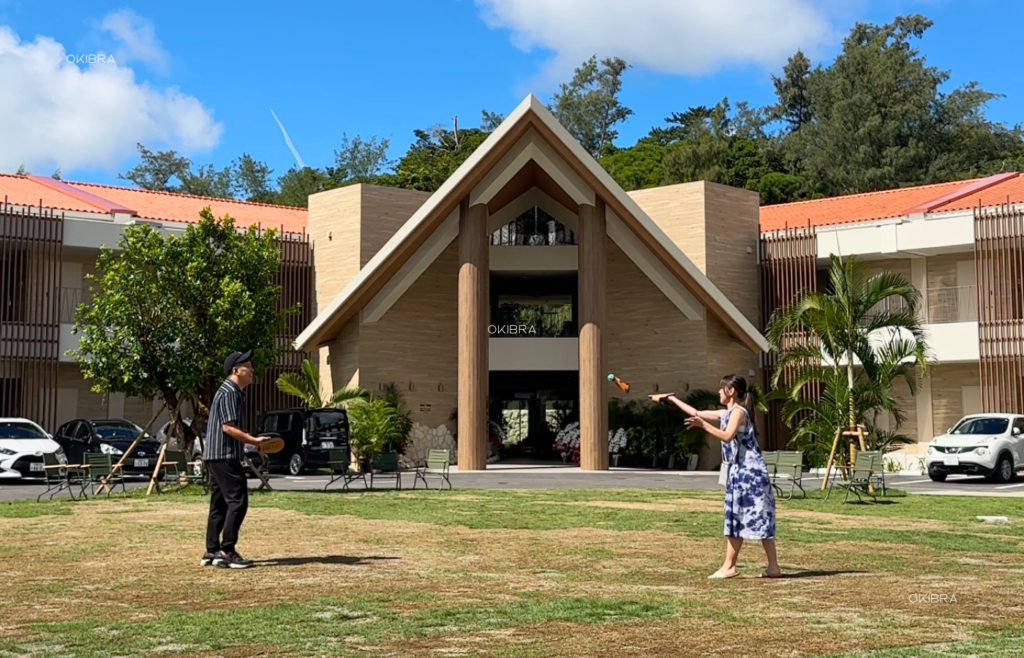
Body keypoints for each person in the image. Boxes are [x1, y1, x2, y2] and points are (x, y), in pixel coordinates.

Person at [650, 374, 781, 579]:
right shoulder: (726, 413)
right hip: (740, 472)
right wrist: (672, 399)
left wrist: (703, 426)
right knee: (741, 517)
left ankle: (732, 566)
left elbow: (727, 436)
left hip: (750, 474)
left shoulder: (738, 412)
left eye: (722, 389)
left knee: (749, 517)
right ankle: (765, 567)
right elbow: (696, 412)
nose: (719, 392)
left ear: (731, 391)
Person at [201, 350, 268, 569]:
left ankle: (211, 551)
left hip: (215, 455)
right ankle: (227, 551)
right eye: (247, 365)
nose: (252, 369)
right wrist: (255, 441)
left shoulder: (229, 391)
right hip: (224, 455)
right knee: (237, 501)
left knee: (219, 503)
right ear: (235, 370)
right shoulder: (230, 391)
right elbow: (228, 427)